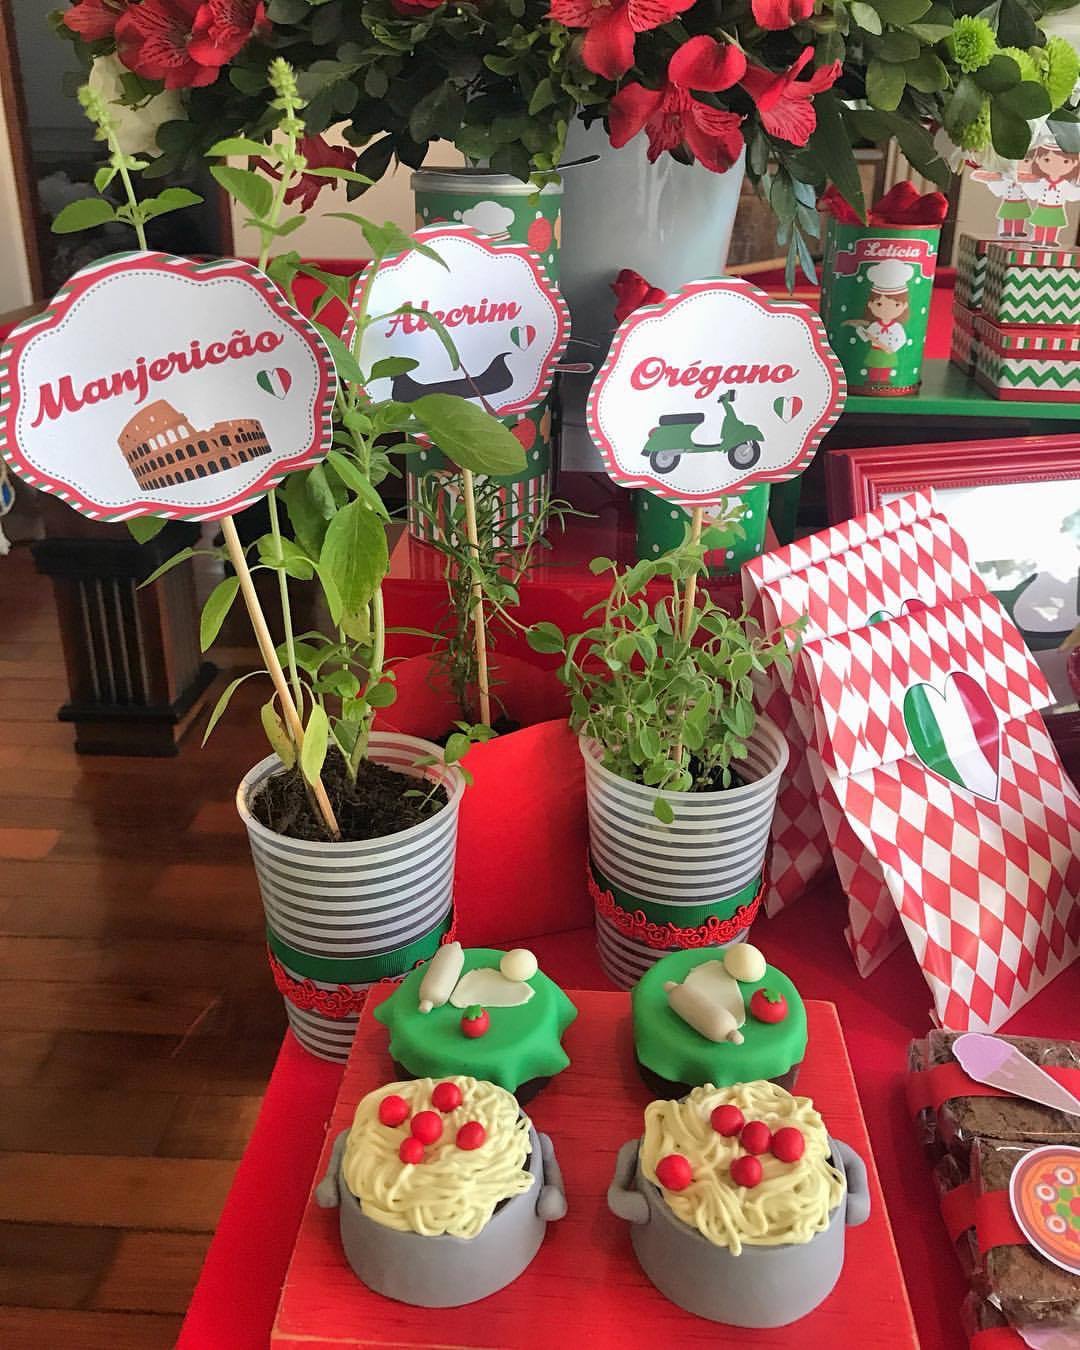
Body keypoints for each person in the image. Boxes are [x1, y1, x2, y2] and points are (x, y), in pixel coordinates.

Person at [845, 259, 913, 386]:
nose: (886, 309)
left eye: (896, 304)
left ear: (904, 306)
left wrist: (891, 348)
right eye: (879, 304)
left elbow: (902, 339)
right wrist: (859, 329)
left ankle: (884, 382)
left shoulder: (897, 327)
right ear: (871, 305)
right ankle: (873, 381)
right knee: (874, 367)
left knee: (886, 368)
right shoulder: (875, 325)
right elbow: (866, 337)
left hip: (888, 351)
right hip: (875, 350)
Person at [1022, 138, 1080, 245]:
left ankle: (1050, 240)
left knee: (1053, 225)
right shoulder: (1041, 182)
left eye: (1065, 161)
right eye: (1047, 160)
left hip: (1056, 209)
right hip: (1042, 207)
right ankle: (1038, 239)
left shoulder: (1065, 185)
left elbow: (1073, 195)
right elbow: (1031, 192)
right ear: (1038, 160)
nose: (1055, 166)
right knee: (1040, 224)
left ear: (1074, 163)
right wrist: (1023, 183)